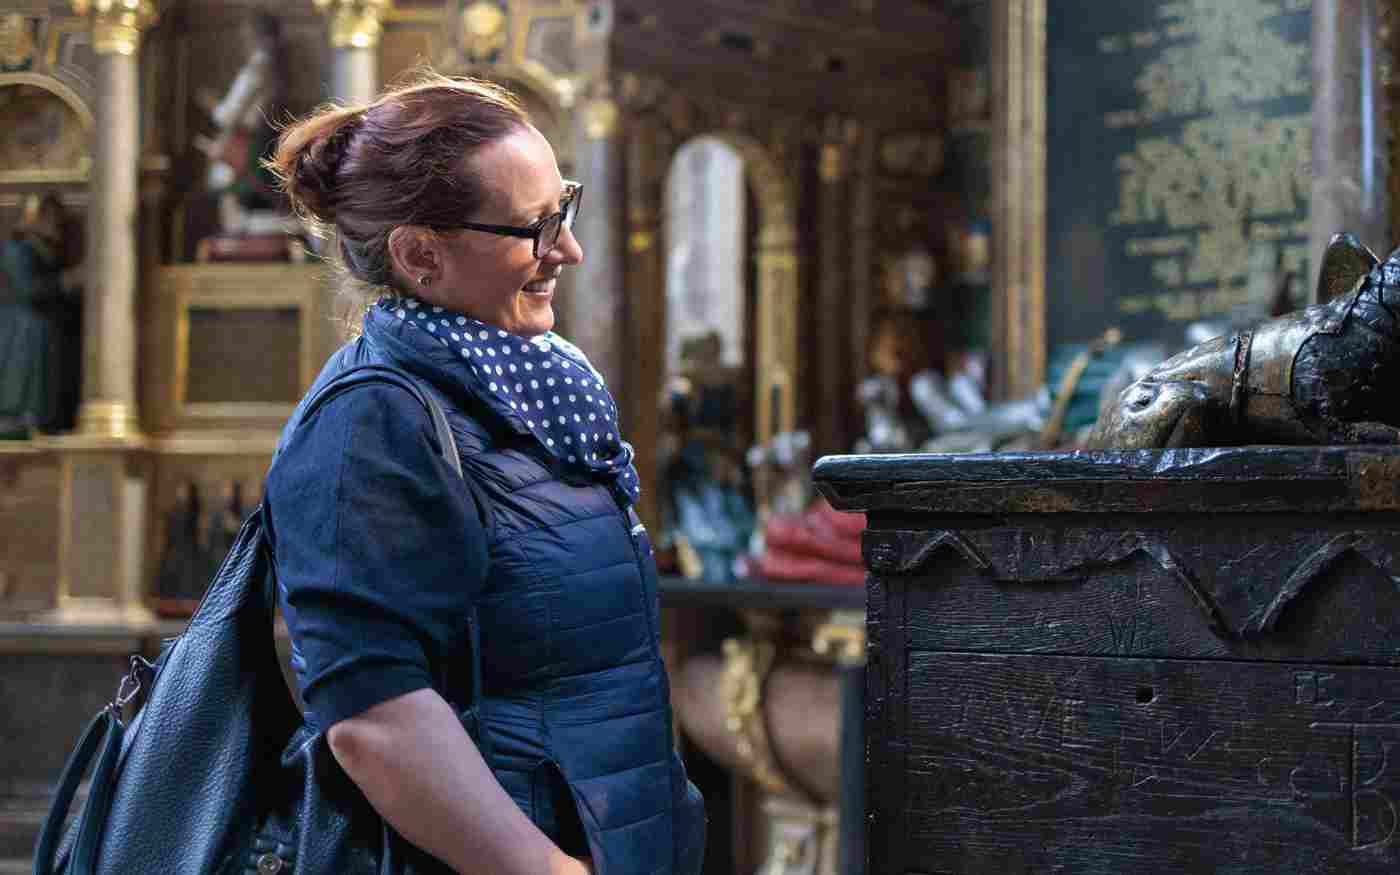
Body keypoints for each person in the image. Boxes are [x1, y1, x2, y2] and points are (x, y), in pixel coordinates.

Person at [262, 73, 705, 875]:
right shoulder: (370, 422)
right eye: (536, 228)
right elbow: (372, 715)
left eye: (563, 208)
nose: (568, 249)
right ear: (420, 254)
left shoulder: (544, 386)